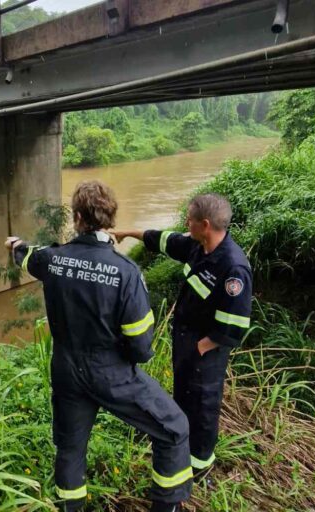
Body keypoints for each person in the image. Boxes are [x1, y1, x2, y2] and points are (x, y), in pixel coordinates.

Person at [5, 180, 192, 512]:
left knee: (70, 449)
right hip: (112, 372)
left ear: (77, 217)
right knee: (174, 428)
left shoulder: (53, 259)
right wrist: (130, 364)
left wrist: (16, 245)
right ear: (112, 219)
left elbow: (29, 256)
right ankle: (167, 506)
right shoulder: (126, 273)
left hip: (66, 371)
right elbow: (140, 342)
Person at [111, 193, 252, 482]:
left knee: (202, 406)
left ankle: (200, 468)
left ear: (205, 224)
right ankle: (180, 449)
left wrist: (201, 347)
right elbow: (162, 240)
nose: (185, 222)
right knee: (184, 397)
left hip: (206, 352)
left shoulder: (233, 267)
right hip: (187, 343)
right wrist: (127, 233)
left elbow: (234, 326)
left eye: (189, 219)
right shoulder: (198, 247)